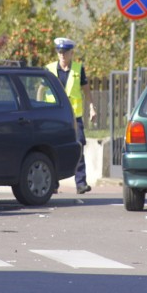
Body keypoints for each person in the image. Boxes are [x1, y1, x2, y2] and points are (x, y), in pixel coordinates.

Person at [46, 37, 97, 194]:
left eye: (65, 52)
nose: (62, 55)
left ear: (71, 53)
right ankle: (52, 184)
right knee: (51, 149)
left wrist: (92, 107)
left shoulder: (78, 69)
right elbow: (41, 89)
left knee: (78, 148)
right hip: (54, 117)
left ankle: (81, 183)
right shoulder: (49, 69)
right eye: (59, 52)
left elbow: (86, 89)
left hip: (75, 117)